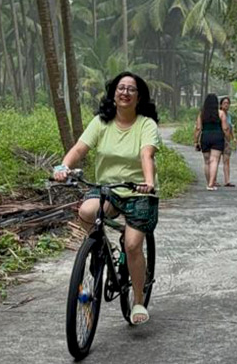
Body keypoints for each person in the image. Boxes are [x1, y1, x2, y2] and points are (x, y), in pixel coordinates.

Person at [53, 72, 159, 325]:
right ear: (113, 93)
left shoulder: (146, 125)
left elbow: (147, 154)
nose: (125, 92)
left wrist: (149, 182)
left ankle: (137, 300)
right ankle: (104, 248)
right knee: (87, 212)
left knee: (133, 245)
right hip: (107, 188)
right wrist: (63, 166)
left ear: (138, 96)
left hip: (137, 190)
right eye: (120, 88)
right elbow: (80, 149)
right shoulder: (101, 122)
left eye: (131, 89)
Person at [194, 94, 232, 191]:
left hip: (205, 137)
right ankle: (211, 183)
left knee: (207, 162)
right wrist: (228, 138)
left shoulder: (202, 114)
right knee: (214, 160)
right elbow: (225, 128)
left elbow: (198, 128)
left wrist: (195, 141)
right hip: (217, 137)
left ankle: (208, 182)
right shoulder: (221, 113)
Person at [218, 96, 237, 187]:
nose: (226, 105)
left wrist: (234, 138)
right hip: (218, 139)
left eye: (228, 103)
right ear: (221, 105)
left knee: (226, 160)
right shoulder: (218, 114)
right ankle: (213, 180)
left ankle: (227, 180)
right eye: (224, 103)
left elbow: (231, 127)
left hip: (227, 140)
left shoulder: (229, 115)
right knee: (216, 160)